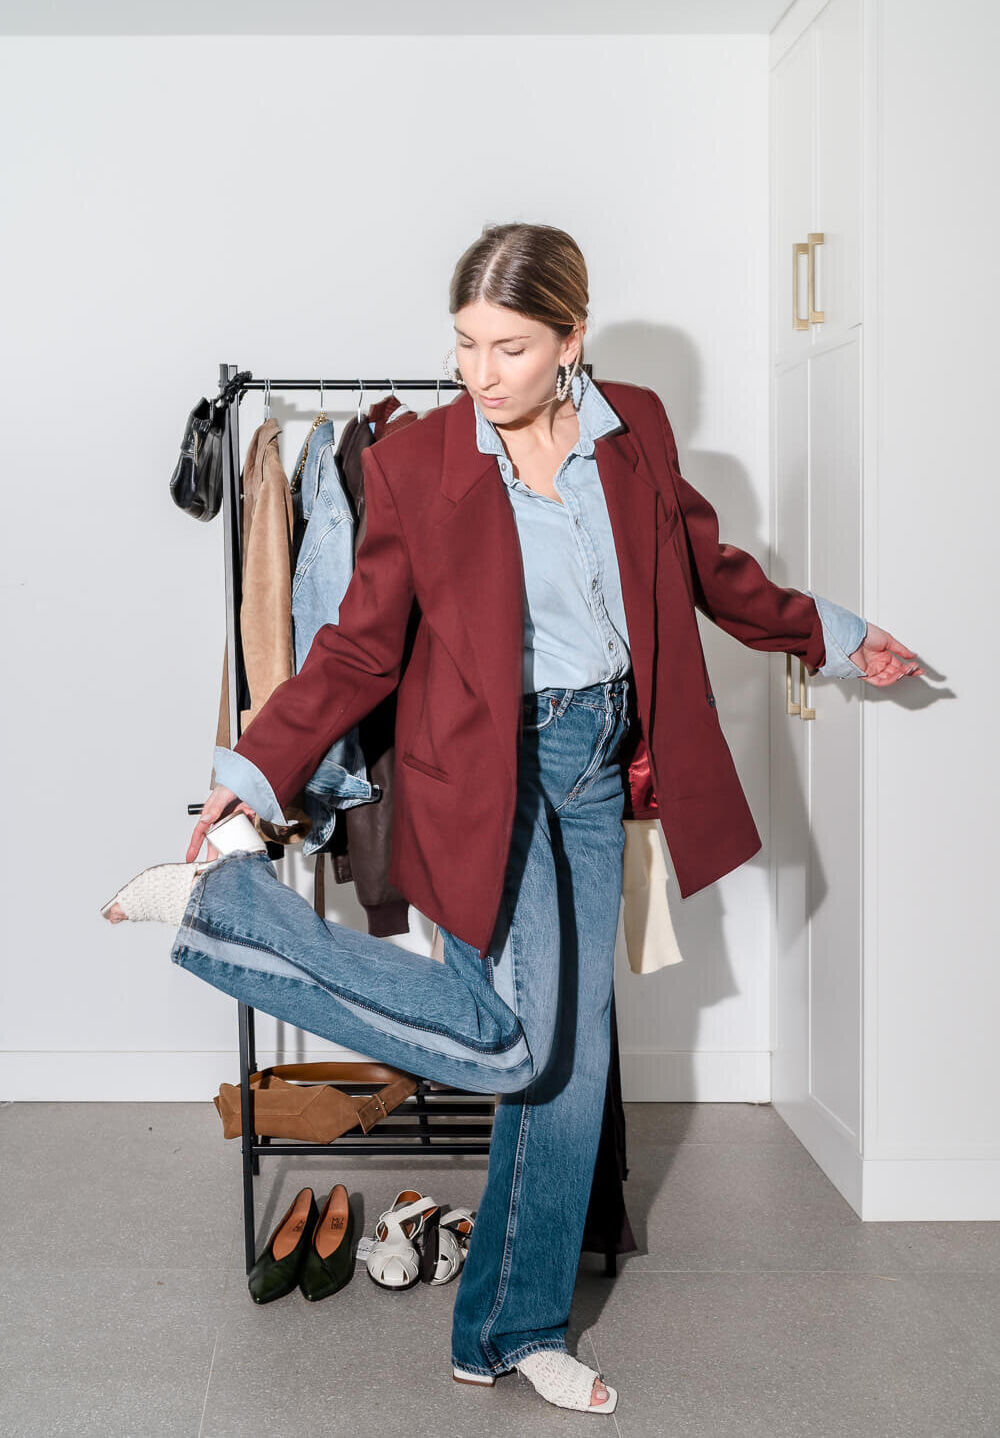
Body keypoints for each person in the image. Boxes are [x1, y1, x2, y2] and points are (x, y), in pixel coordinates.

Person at [102, 222, 923, 1417]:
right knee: (525, 1045)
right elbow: (354, 649)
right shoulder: (421, 460)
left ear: (571, 341)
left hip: (595, 765)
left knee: (572, 1070)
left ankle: (505, 1330)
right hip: (480, 774)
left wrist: (831, 635)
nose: (479, 373)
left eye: (510, 346)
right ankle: (228, 908)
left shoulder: (630, 426)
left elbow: (707, 567)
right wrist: (260, 767)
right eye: (465, 344)